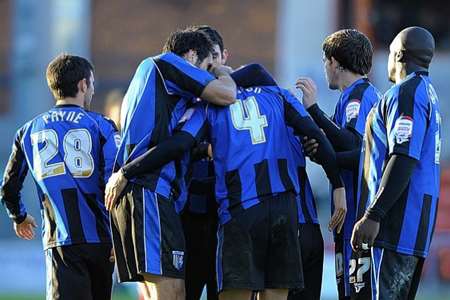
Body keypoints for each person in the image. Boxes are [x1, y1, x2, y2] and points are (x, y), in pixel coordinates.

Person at [105, 64, 347, 300]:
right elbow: (316, 135)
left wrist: (127, 171)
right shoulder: (279, 96)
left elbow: (181, 143)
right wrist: (338, 184)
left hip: (241, 210)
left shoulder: (210, 106)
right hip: (284, 210)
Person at [107, 27, 236, 300]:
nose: (207, 73)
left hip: (151, 192)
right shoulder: (165, 64)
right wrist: (223, 72)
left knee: (170, 291)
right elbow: (227, 94)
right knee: (170, 293)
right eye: (205, 66)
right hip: (149, 188)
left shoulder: (160, 88)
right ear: (189, 57)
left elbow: (180, 141)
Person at [0, 54, 119, 300]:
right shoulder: (103, 125)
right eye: (92, 84)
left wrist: (19, 216)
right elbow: (116, 183)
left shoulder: (28, 131)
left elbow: (9, 187)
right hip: (102, 241)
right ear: (83, 84)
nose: (93, 90)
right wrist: (121, 236)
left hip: (61, 241)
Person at [351, 26, 440, 300]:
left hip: (395, 226)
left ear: (399, 55)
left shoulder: (407, 93)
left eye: (389, 52)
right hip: (412, 226)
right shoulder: (427, 92)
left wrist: (373, 214)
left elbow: (403, 156)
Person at [296, 29, 380, 299]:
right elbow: (334, 146)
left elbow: (354, 147)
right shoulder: (349, 98)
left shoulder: (360, 96)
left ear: (334, 62)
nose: (325, 68)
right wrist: (318, 149)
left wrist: (313, 111)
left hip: (358, 212)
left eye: (325, 62)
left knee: (358, 293)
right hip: (347, 215)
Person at [179, 25, 229, 300]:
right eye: (203, 56)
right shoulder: (182, 99)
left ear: (224, 56)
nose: (209, 63)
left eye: (214, 54)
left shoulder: (238, 96)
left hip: (228, 216)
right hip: (189, 216)